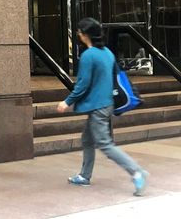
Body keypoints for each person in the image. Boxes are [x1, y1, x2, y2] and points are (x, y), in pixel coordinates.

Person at [57, 17, 148, 196]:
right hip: (106, 104)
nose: (78, 34)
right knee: (87, 139)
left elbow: (82, 84)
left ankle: (137, 171)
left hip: (98, 107)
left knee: (105, 144)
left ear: (85, 35)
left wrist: (67, 101)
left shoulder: (88, 55)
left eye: (79, 31)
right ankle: (84, 175)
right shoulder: (107, 52)